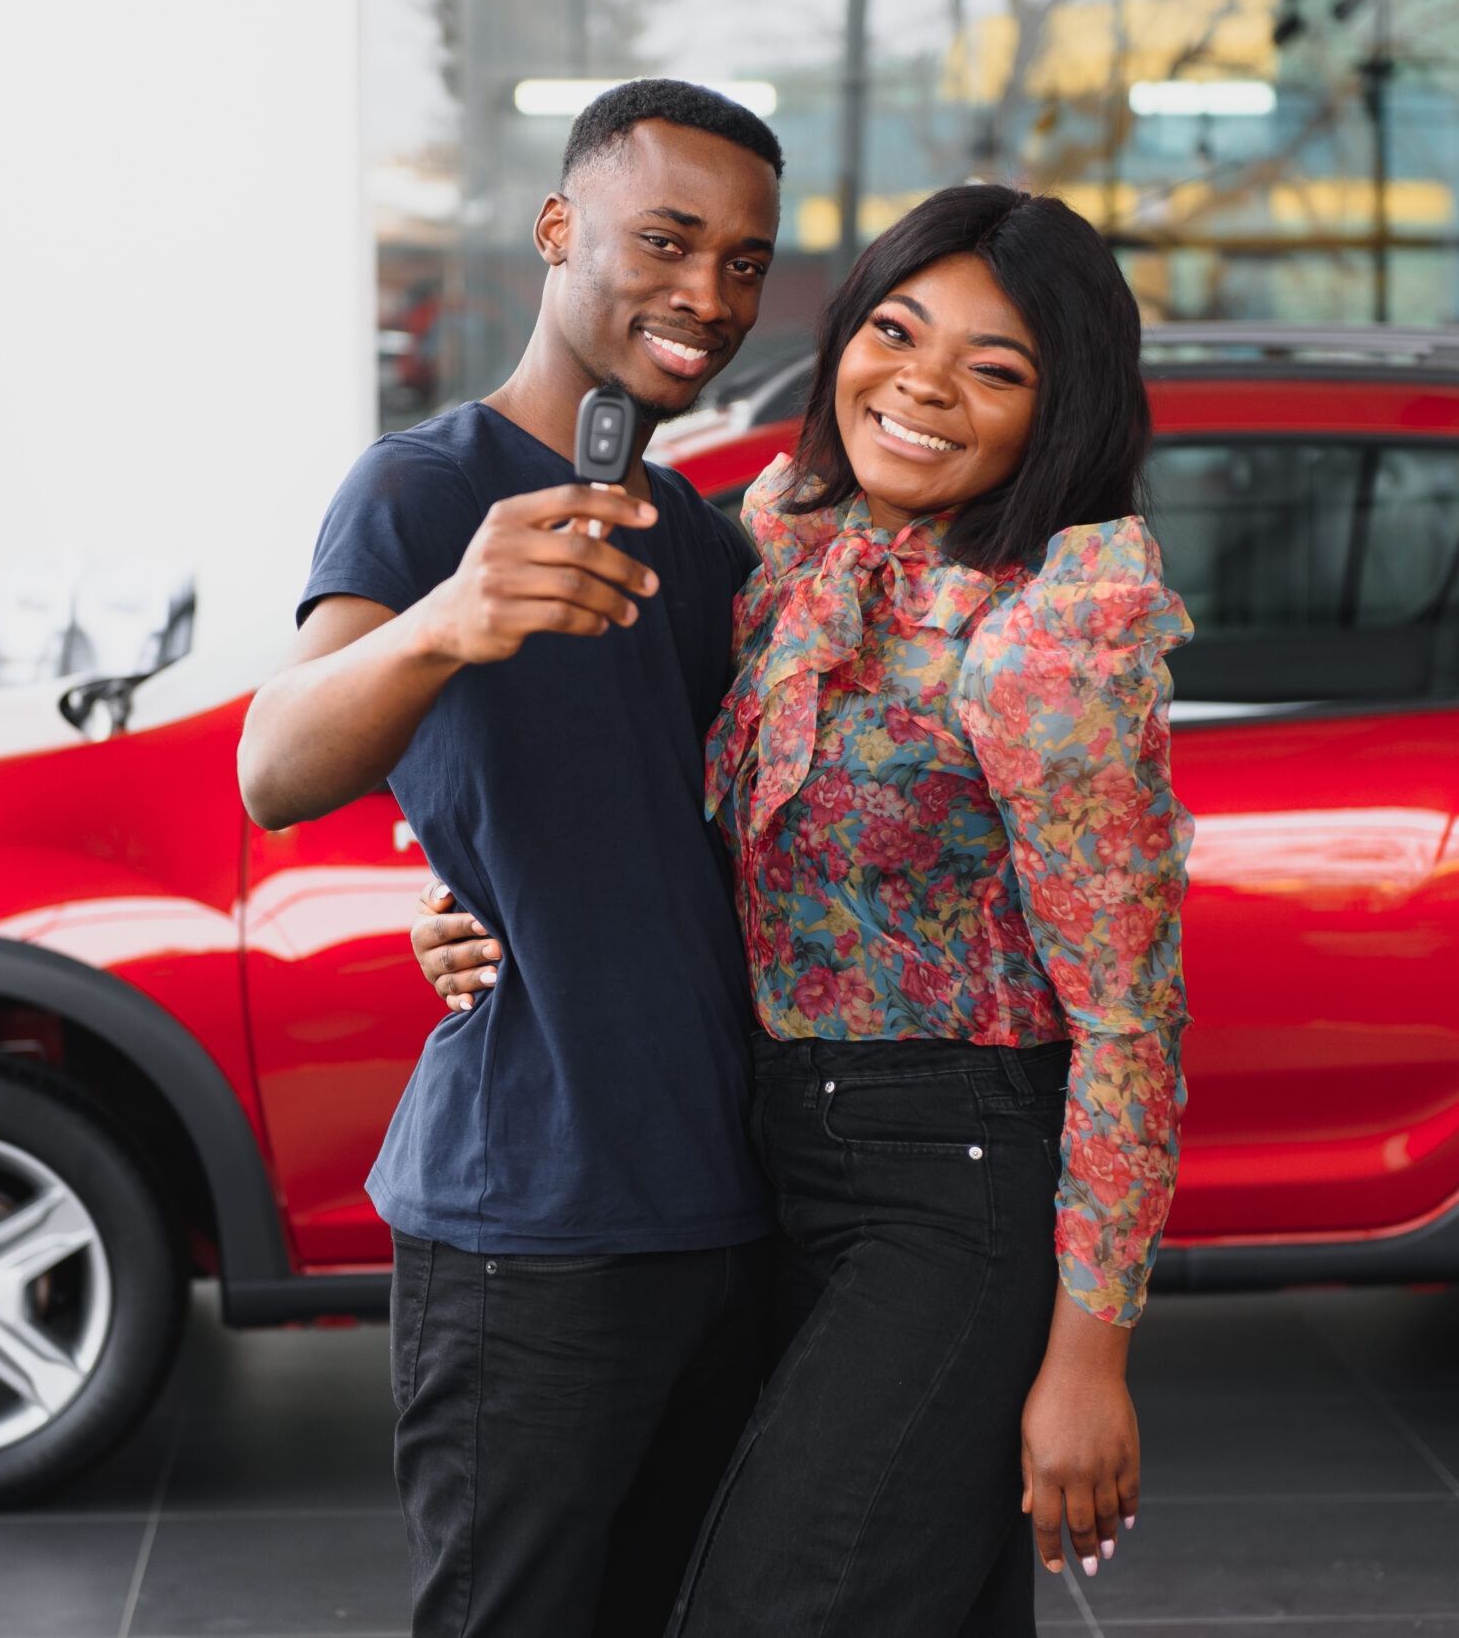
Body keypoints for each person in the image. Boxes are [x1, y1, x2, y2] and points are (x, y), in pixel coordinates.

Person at [414, 184, 1191, 1634]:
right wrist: (460, 897)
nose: (924, 384)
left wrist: (1092, 1356)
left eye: (996, 367)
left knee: (780, 1602)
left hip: (953, 1175)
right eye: (896, 330)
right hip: (772, 1156)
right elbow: (648, 794)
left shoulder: (1046, 635)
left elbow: (1130, 1020)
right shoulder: (787, 554)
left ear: (1061, 410)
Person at [236, 81, 784, 1638]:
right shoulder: (422, 489)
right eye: (667, 241)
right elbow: (278, 766)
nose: (706, 295)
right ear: (560, 230)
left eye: (743, 262)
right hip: (528, 1220)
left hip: (722, 1204)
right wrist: (447, 622)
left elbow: (668, 832)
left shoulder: (702, 538)